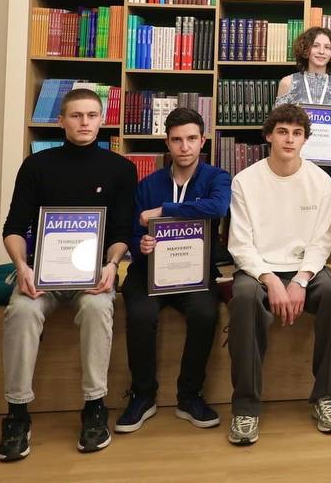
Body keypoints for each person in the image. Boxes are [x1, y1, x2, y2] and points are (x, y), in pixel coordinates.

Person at [0, 88, 136, 462]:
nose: (84, 122)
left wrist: (112, 265)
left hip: (95, 276)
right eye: (76, 115)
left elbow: (122, 231)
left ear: (102, 120)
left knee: (97, 309)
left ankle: (94, 406)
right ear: (61, 121)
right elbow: (13, 227)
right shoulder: (36, 166)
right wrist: (22, 268)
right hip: (41, 275)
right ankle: (17, 413)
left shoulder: (121, 169)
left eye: (91, 115)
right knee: (21, 312)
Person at [226, 104, 331, 446]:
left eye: (297, 133)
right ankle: (246, 408)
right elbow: (240, 244)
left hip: (303, 268)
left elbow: (321, 241)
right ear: (269, 135)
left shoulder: (320, 180)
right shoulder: (245, 181)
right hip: (258, 269)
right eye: (282, 131)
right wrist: (269, 279)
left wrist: (300, 280)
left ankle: (327, 396)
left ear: (306, 139)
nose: (289, 139)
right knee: (245, 298)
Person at [116, 107, 229, 434]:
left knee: (205, 313)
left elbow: (217, 207)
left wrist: (165, 210)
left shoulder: (216, 178)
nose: (185, 146)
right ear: (167, 142)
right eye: (177, 139)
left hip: (195, 270)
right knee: (140, 315)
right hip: (149, 270)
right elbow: (133, 231)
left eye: (192, 138)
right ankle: (142, 395)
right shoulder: (148, 184)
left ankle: (189, 396)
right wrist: (141, 245)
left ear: (203, 141)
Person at [275, 26, 331, 183]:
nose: (322, 51)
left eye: (327, 47)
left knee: (319, 179)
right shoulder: (288, 83)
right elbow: (276, 127)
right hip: (294, 157)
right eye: (316, 46)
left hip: (330, 163)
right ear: (306, 49)